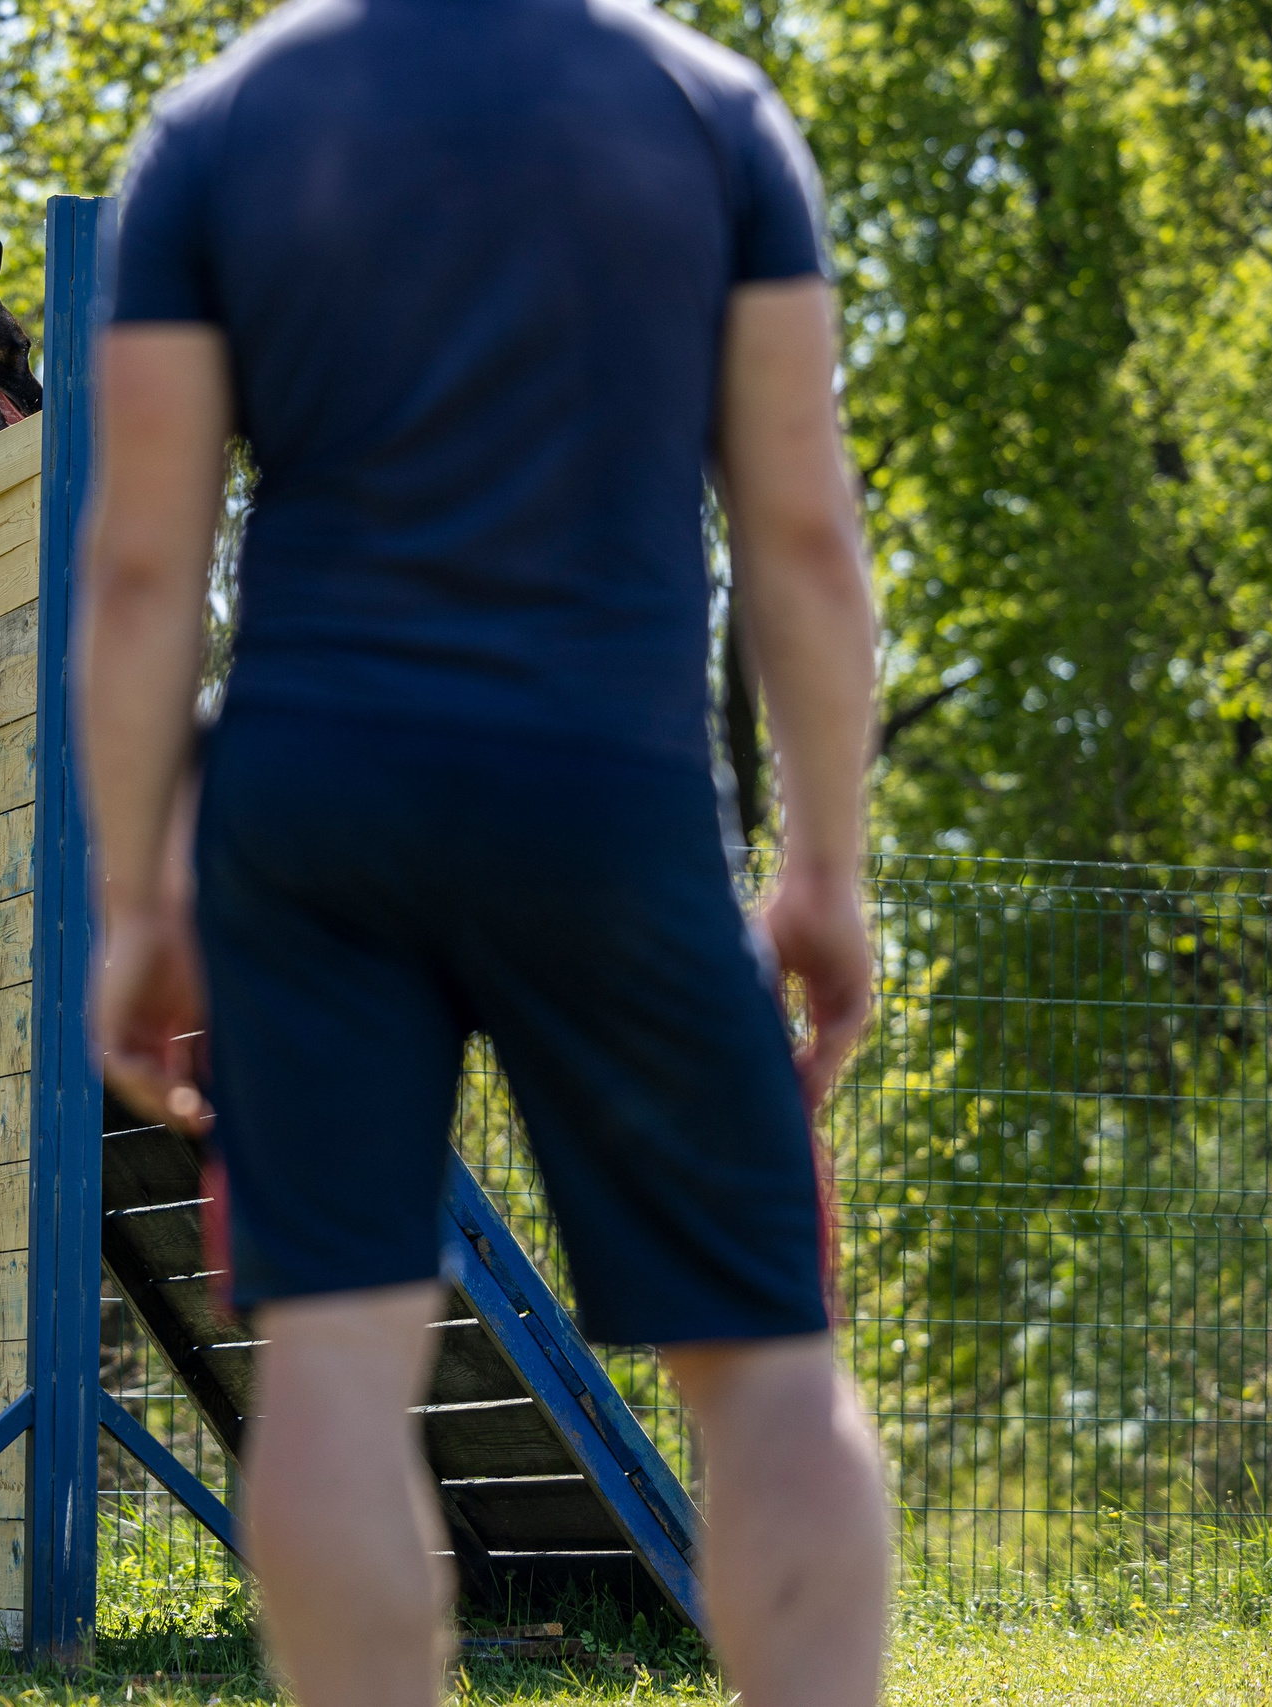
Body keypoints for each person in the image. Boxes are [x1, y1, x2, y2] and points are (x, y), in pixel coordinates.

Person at [74, 3, 891, 1705]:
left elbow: (142, 572)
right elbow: (802, 526)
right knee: (762, 1364)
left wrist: (141, 893)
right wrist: (825, 862)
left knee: (333, 1362)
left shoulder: (218, 132)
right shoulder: (713, 115)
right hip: (611, 787)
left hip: (309, 815)